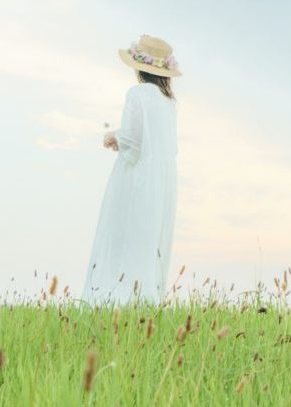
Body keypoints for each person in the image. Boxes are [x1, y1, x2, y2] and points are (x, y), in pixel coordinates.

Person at [81, 34, 181, 306]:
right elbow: (162, 144)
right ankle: (144, 300)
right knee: (149, 241)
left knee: (125, 233)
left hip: (139, 177)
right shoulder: (169, 102)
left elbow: (135, 145)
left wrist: (113, 136)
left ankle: (116, 297)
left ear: (140, 68)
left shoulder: (137, 94)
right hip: (163, 181)